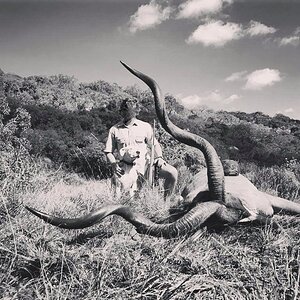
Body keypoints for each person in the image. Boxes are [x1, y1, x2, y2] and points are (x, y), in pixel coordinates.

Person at [104, 98, 178, 204]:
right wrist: (113, 164)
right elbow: (108, 151)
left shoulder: (145, 126)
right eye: (123, 110)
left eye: (128, 110)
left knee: (172, 172)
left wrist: (159, 157)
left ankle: (166, 204)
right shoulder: (114, 129)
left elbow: (155, 145)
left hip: (146, 166)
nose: (124, 112)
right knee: (129, 200)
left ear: (136, 111)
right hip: (126, 168)